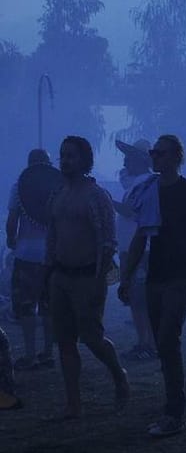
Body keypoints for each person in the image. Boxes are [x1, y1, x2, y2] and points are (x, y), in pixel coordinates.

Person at [118, 135, 186, 438]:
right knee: (162, 342)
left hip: (182, 277)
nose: (154, 157)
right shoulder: (150, 192)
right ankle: (173, 400)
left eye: (159, 153)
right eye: (153, 153)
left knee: (168, 338)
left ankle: (174, 410)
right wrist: (126, 275)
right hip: (156, 276)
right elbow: (140, 237)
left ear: (175, 157)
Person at [45, 136, 129, 419]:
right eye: (62, 155)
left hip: (86, 276)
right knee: (65, 341)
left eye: (71, 155)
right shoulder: (58, 194)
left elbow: (107, 241)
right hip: (61, 276)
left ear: (84, 160)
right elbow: (52, 236)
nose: (65, 160)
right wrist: (49, 274)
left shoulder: (96, 196)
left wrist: (97, 281)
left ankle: (119, 375)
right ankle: (73, 405)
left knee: (93, 339)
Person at [6, 149, 60, 369]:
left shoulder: (18, 188)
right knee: (49, 306)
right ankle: (47, 353)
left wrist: (12, 239)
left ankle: (30, 354)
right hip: (52, 255)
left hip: (26, 254)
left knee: (26, 306)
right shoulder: (59, 188)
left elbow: (12, 220)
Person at [112, 139, 158, 362]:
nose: (124, 160)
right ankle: (146, 342)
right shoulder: (139, 183)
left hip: (140, 251)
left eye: (128, 157)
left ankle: (146, 343)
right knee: (138, 299)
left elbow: (130, 212)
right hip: (135, 250)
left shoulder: (144, 183)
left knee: (140, 300)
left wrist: (106, 199)